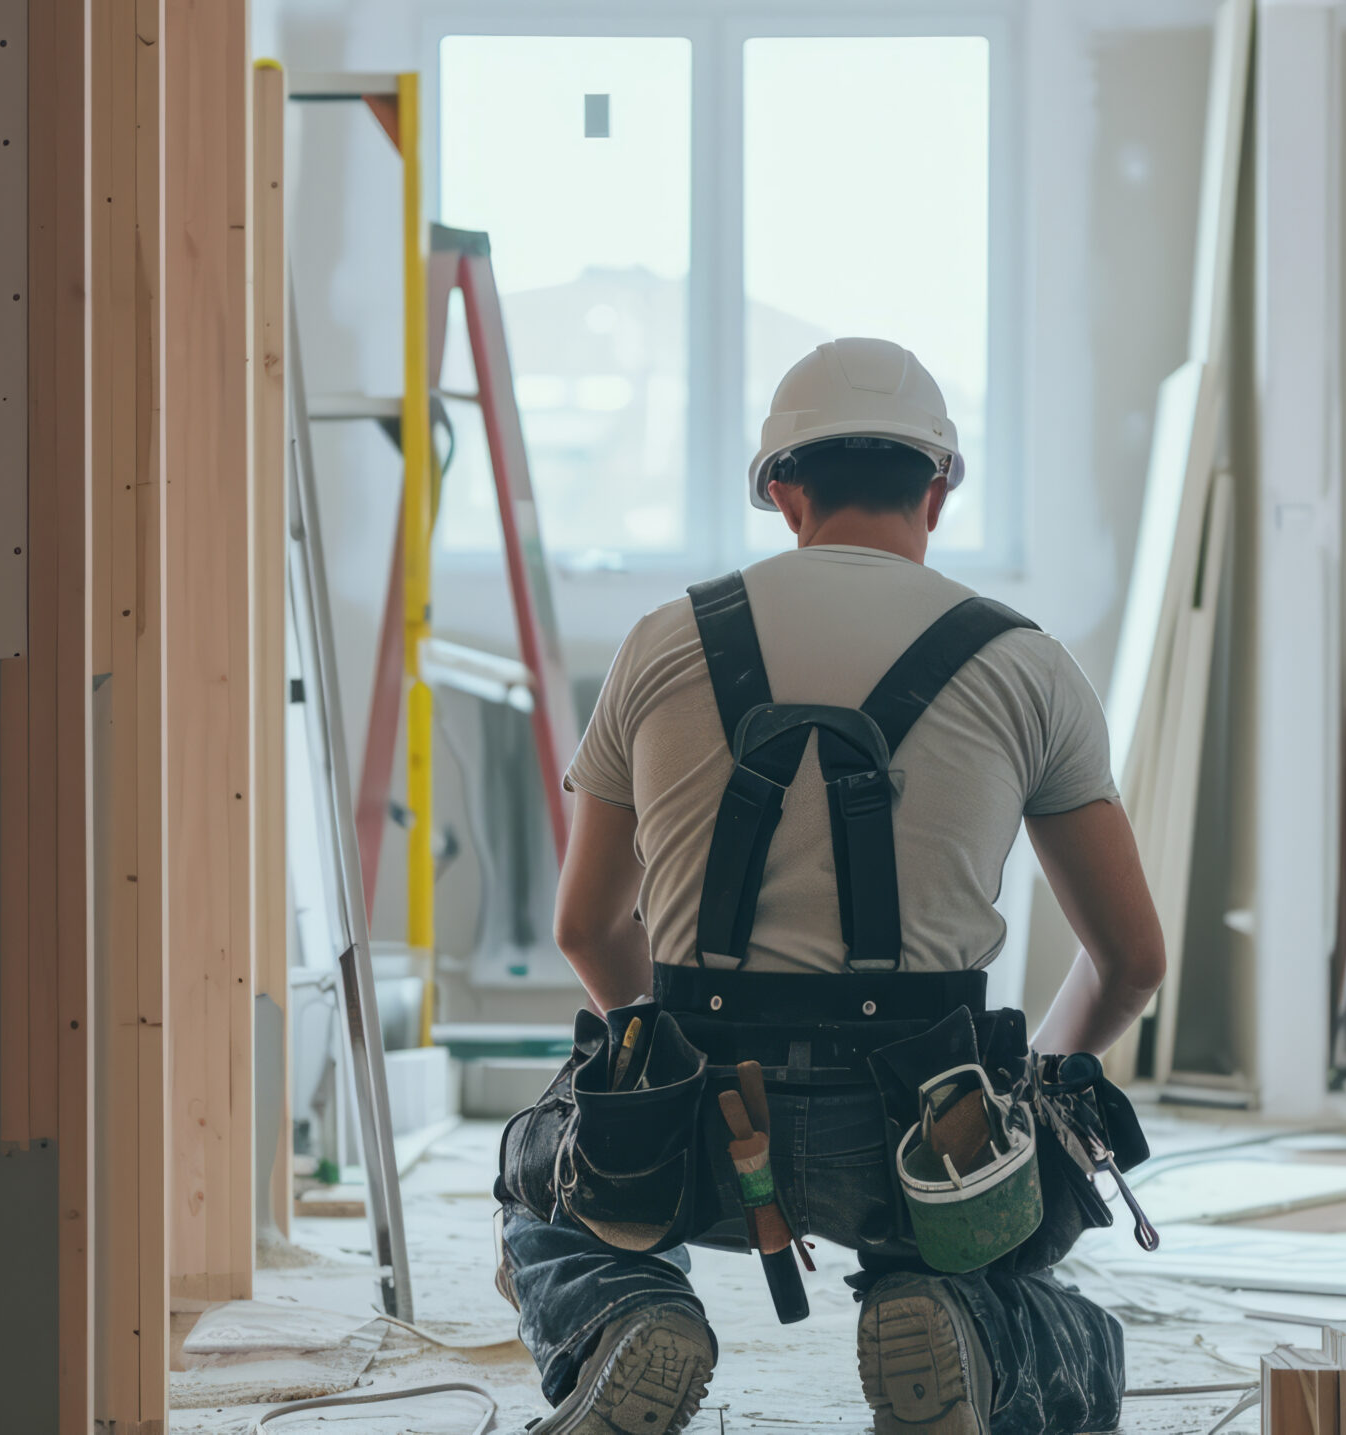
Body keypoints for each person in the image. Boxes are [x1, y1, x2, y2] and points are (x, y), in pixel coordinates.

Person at [496, 337, 1166, 1435]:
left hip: (698, 1136)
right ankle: (952, 1319)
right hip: (929, 1144)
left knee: (542, 1196)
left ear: (781, 490)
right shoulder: (1028, 666)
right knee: (1067, 1332)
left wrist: (657, 1081)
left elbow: (585, 922)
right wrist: (1030, 1095)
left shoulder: (660, 643)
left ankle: (625, 1316)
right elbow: (1131, 959)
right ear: (939, 490)